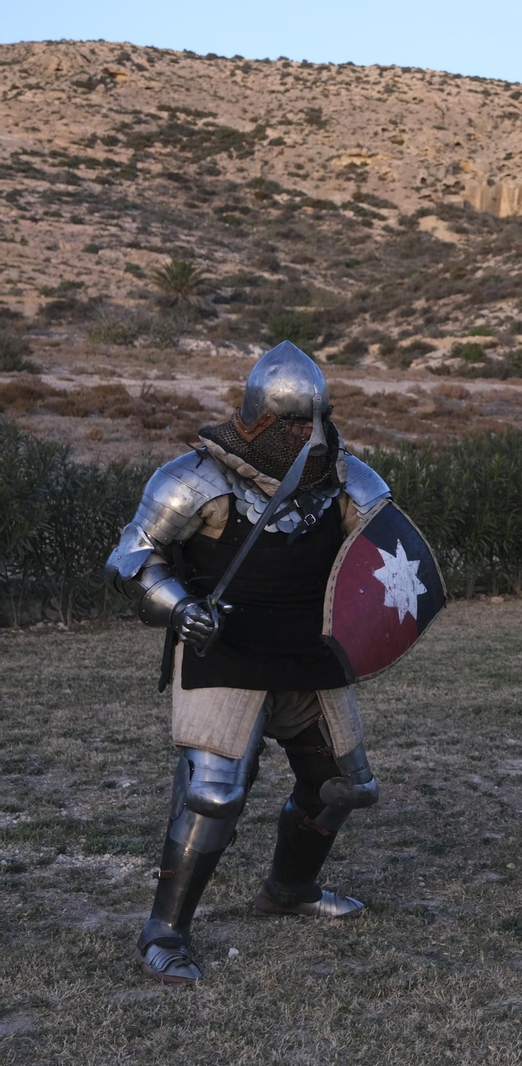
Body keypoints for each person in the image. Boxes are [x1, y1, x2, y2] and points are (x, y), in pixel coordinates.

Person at [105, 341, 390, 985]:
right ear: (260, 420)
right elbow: (133, 558)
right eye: (297, 424)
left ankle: (289, 890)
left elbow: (387, 558)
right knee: (212, 796)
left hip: (309, 656)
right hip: (225, 654)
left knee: (345, 786)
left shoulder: (347, 478)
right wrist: (179, 608)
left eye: (319, 419)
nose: (312, 436)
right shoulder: (195, 478)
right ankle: (165, 931)